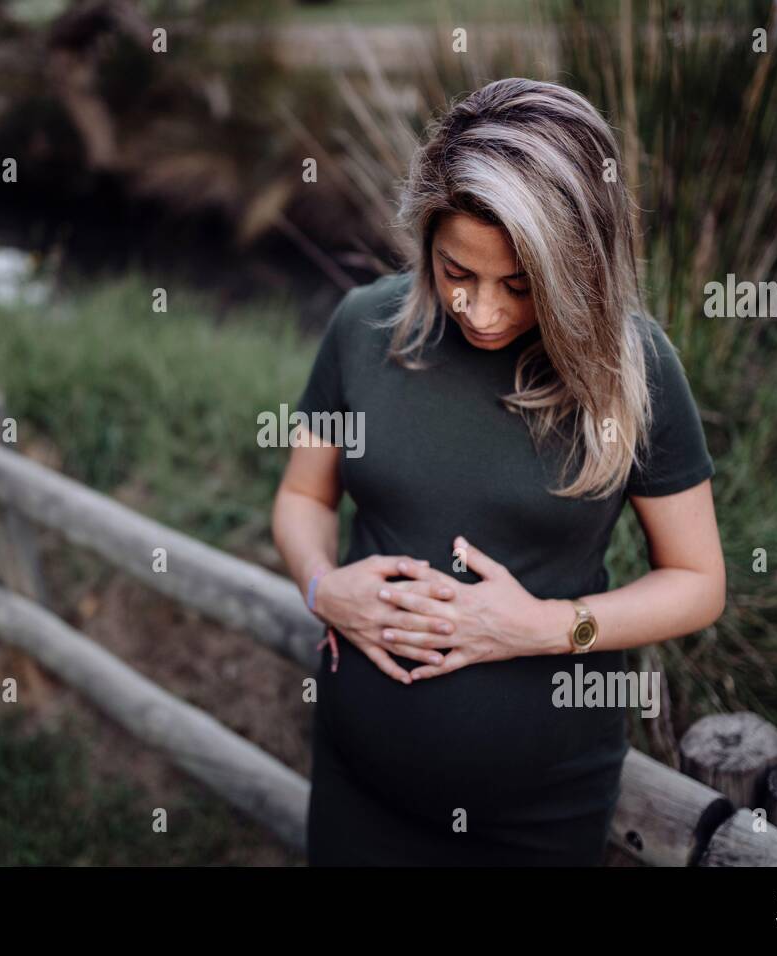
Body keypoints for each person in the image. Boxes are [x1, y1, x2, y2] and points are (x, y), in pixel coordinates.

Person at [270, 78, 726, 866]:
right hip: (356, 788)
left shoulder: (637, 369)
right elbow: (302, 497)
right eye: (457, 272)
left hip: (537, 818)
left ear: (579, 265)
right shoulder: (362, 329)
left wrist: (547, 627)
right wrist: (321, 586)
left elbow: (698, 580)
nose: (481, 311)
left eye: (520, 286)